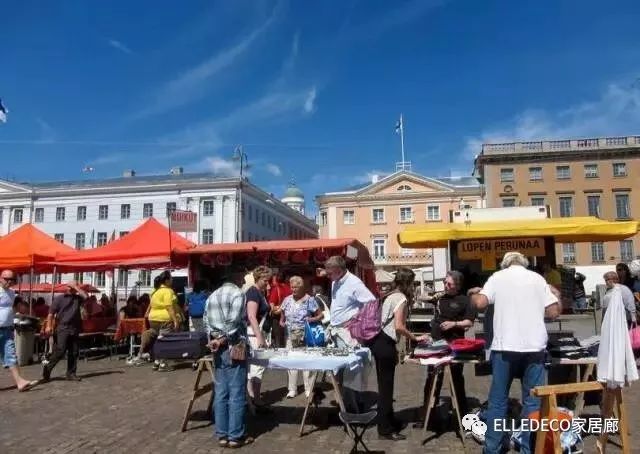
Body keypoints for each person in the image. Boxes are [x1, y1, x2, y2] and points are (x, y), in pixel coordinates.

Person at [469, 252, 560, 454]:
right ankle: (529, 448)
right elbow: (554, 312)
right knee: (533, 402)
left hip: (504, 347)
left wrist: (473, 293)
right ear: (525, 263)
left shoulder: (497, 277)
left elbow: (480, 303)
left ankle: (492, 448)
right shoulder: (538, 279)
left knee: (498, 401)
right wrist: (554, 295)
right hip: (534, 347)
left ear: (504, 264)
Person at [371, 268, 430, 441]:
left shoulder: (389, 295)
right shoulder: (401, 298)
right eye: (412, 283)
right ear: (408, 283)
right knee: (386, 389)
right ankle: (385, 430)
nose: (413, 286)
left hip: (380, 342)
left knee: (385, 387)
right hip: (385, 343)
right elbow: (398, 326)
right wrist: (416, 338)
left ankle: (389, 420)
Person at [204, 271, 253, 448]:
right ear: (238, 277)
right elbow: (233, 323)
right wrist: (223, 339)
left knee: (221, 391)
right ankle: (235, 435)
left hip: (217, 346)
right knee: (236, 391)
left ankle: (222, 434)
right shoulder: (238, 294)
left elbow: (206, 323)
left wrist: (214, 340)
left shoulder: (212, 296)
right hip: (233, 345)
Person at [324, 255, 377, 412]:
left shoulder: (354, 283)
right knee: (341, 371)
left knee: (350, 370)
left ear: (339, 271)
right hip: (336, 331)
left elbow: (371, 301)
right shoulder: (335, 281)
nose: (328, 276)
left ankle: (352, 408)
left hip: (347, 333)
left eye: (330, 273)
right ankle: (347, 403)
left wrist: (356, 318)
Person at [425, 270, 476, 417]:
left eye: (449, 284)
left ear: (458, 286)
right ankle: (428, 414)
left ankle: (461, 413)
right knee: (433, 378)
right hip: (436, 344)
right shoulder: (440, 298)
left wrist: (454, 324)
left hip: (455, 345)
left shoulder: (465, 301)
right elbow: (426, 299)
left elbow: (469, 322)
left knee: (456, 379)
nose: (445, 286)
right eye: (444, 283)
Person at [279, 275, 323, 398]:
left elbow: (320, 315)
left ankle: (308, 388)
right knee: (292, 361)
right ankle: (292, 389)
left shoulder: (309, 299)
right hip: (290, 335)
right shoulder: (287, 299)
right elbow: (282, 313)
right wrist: (282, 321)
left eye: (296, 287)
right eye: (292, 287)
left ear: (301, 287)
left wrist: (311, 318)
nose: (293, 289)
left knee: (306, 361)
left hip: (305, 334)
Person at [42, 281, 89, 382]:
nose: (73, 288)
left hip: (75, 328)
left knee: (74, 352)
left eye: (74, 286)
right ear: (67, 287)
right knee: (60, 350)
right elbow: (51, 314)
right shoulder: (59, 299)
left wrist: (76, 287)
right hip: (63, 328)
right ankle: (47, 369)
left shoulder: (78, 298)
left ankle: (71, 373)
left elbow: (86, 297)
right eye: (71, 286)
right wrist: (49, 326)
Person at [0, 270, 38, 392]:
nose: (9, 281)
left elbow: (15, 309)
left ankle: (20, 382)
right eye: (7, 279)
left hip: (6, 329)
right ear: (0, 278)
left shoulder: (12, 293)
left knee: (11, 356)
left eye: (12, 279)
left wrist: (19, 312)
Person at [138, 271, 182, 371]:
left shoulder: (155, 291)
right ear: (166, 280)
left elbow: (151, 304)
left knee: (159, 339)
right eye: (171, 278)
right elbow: (168, 306)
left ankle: (157, 361)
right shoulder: (167, 291)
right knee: (165, 340)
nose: (172, 280)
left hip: (153, 319)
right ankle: (163, 364)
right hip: (164, 319)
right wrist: (175, 320)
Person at [245, 266, 273, 408]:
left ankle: (253, 396)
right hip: (255, 334)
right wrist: (260, 337)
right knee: (257, 366)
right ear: (257, 278)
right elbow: (251, 315)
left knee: (256, 366)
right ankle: (254, 397)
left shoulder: (260, 292)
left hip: (260, 333)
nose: (267, 283)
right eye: (265, 280)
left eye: (268, 280)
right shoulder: (253, 292)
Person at [267, 272, 291, 348]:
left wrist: (276, 308)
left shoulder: (276, 289)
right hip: (288, 316)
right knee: (287, 338)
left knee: (278, 339)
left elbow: (272, 305)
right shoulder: (290, 288)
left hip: (278, 318)